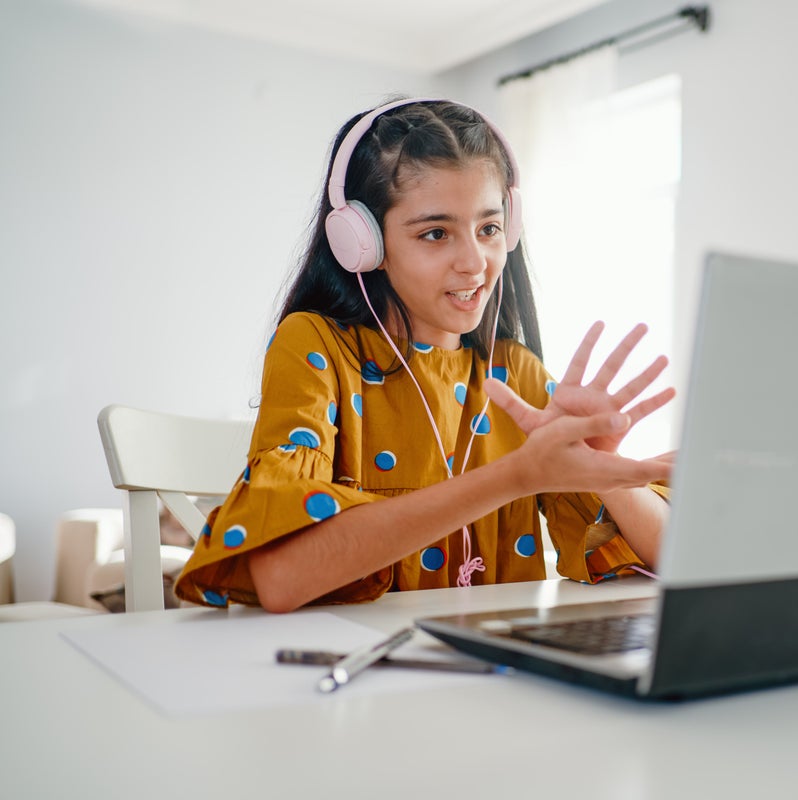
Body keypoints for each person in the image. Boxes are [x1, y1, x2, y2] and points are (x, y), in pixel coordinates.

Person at [174, 97, 675, 613]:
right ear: (362, 243)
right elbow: (280, 577)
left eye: (489, 228)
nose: (475, 263)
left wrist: (605, 468)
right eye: (435, 233)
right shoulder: (317, 346)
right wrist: (517, 475)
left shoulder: (514, 373)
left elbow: (673, 562)